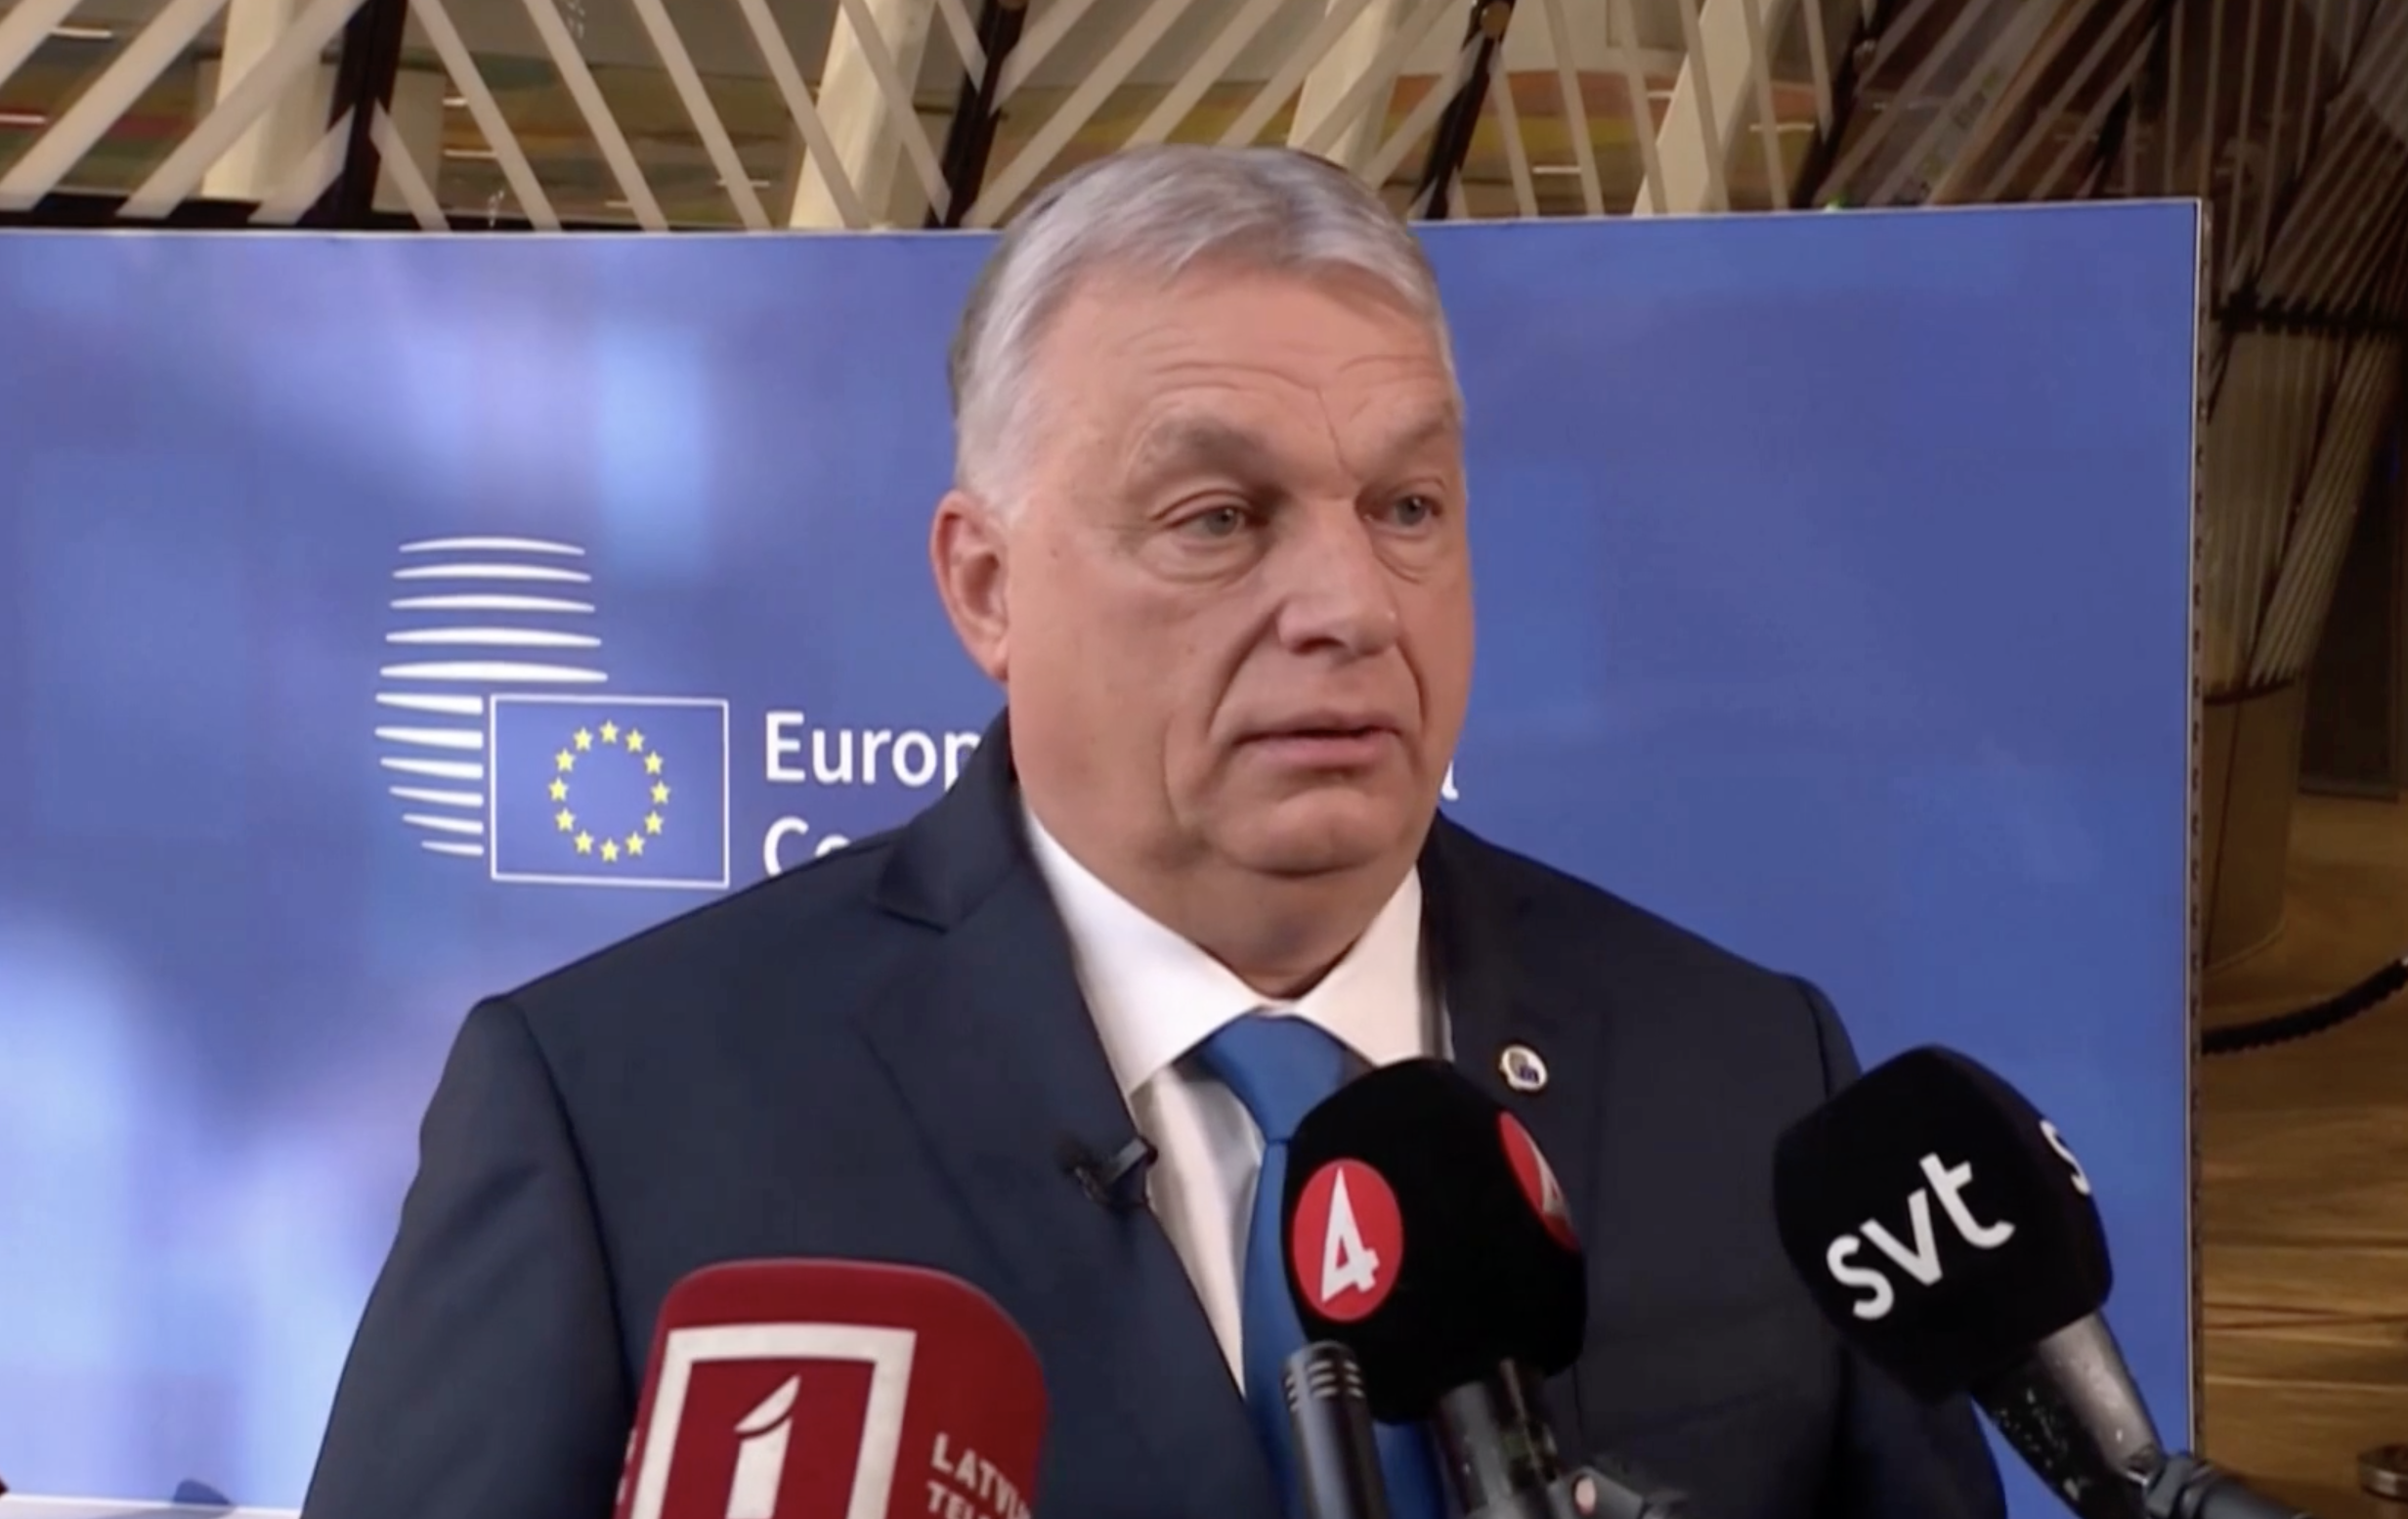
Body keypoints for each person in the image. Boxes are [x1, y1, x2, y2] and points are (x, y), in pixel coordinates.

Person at [301, 144, 2004, 1519]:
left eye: (1408, 505)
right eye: (1219, 517)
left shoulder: (1751, 1076)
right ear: (987, 585)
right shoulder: (621, 1113)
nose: (1352, 604)